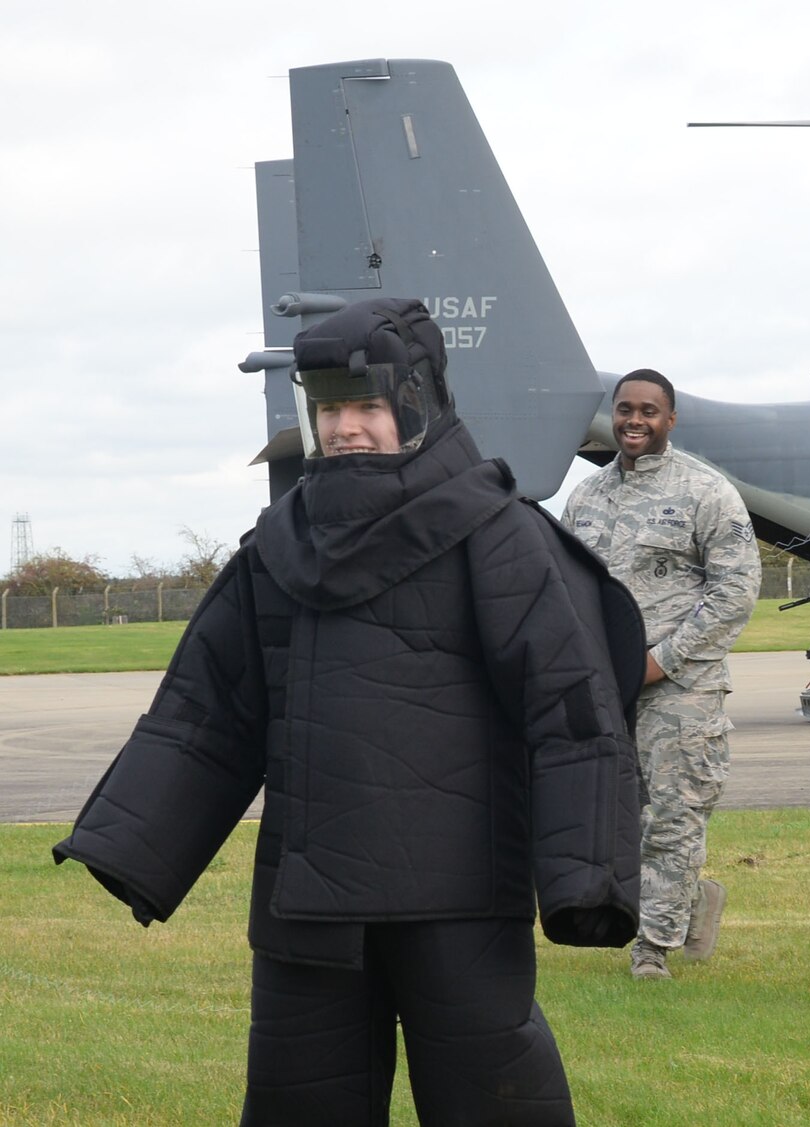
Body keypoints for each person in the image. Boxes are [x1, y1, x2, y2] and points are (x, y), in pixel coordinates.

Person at [54, 298, 647, 1124]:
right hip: (307, 906)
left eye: (367, 405)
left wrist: (589, 877)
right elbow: (208, 707)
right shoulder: (280, 544)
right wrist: (134, 843)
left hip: (460, 900)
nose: (347, 428)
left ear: (420, 405)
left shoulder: (497, 534)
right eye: (330, 408)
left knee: (492, 1105)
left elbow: (571, 710)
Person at [563, 369, 761, 979]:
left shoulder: (707, 491)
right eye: (625, 409)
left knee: (676, 814)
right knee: (626, 818)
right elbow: (568, 588)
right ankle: (690, 899)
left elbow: (736, 589)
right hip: (608, 688)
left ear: (670, 419)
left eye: (649, 410)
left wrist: (662, 660)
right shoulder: (585, 498)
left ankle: (652, 951)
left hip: (682, 686)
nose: (635, 420)